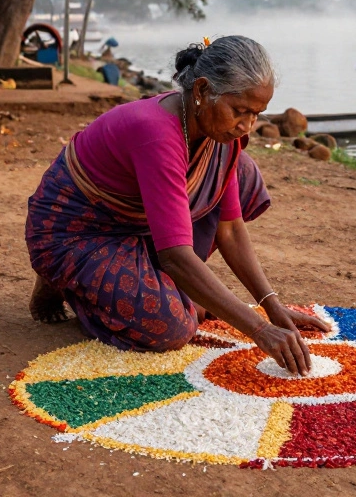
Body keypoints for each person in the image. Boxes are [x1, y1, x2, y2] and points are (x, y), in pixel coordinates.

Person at [25, 36, 329, 375]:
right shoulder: (157, 133)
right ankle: (66, 283)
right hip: (78, 233)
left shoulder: (218, 135)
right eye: (239, 111)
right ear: (200, 91)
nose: (247, 126)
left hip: (138, 228)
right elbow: (174, 255)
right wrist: (258, 331)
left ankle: (150, 282)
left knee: (243, 172)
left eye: (256, 114)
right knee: (173, 324)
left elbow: (228, 228)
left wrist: (271, 307)